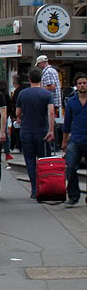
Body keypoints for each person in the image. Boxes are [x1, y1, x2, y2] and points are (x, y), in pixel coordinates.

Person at [15, 67, 56, 199]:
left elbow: (17, 113)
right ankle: (44, 187)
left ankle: (34, 188)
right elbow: (51, 112)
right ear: (41, 79)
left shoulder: (22, 94)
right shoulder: (47, 94)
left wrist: (21, 118)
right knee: (44, 160)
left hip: (26, 131)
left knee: (30, 160)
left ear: (29, 79)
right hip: (42, 131)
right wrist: (51, 130)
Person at [63, 72, 87, 206]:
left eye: (84, 83)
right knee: (71, 167)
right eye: (80, 83)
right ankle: (73, 196)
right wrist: (64, 141)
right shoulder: (71, 102)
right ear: (76, 86)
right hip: (76, 140)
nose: (82, 85)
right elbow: (67, 122)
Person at [37, 55, 62, 151]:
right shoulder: (53, 70)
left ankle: (53, 144)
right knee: (52, 121)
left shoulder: (47, 72)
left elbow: (52, 87)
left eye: (39, 64)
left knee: (50, 122)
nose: (39, 66)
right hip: (54, 100)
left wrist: (39, 88)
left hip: (50, 101)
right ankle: (55, 144)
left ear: (42, 63)